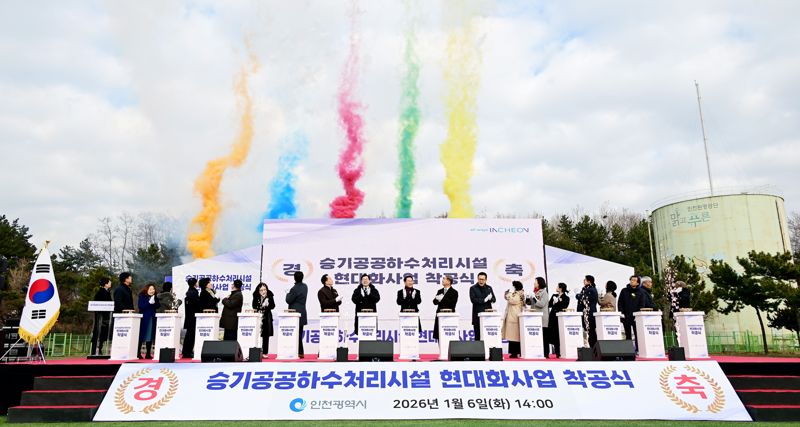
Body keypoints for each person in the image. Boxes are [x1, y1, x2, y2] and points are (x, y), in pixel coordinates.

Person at [617, 275, 650, 350]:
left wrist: (638, 314)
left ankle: (639, 349)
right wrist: (621, 312)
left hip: (636, 317)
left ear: (638, 283)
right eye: (631, 280)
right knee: (627, 334)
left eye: (634, 280)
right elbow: (620, 302)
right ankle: (628, 350)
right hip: (626, 316)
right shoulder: (624, 291)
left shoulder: (641, 292)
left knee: (637, 334)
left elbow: (642, 304)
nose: (632, 281)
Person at [286, 271, 308, 358]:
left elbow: (288, 300)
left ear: (294, 278)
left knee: (296, 334)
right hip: (302, 312)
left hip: (294, 313)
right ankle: (300, 352)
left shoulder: (294, 289)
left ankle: (299, 352)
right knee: (299, 333)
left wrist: (288, 293)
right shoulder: (305, 286)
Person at [469, 272, 495, 341]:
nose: (481, 281)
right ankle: (477, 348)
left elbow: (494, 299)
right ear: (477, 279)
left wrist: (491, 299)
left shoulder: (489, 288)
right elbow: (473, 300)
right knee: (478, 336)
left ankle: (489, 347)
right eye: (479, 279)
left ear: (486, 280)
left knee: (488, 335)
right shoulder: (473, 288)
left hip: (488, 316)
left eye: (483, 279)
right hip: (477, 315)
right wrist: (484, 300)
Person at [137, 283, 160, 359]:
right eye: (150, 289)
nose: (152, 291)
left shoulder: (155, 296)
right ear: (146, 289)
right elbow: (141, 306)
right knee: (141, 335)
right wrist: (149, 303)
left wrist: (154, 302)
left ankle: (148, 354)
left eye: (153, 289)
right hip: (144, 318)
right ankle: (138, 353)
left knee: (150, 335)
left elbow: (158, 306)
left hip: (152, 317)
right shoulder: (142, 296)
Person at [502, 281, 525, 358]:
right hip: (512, 316)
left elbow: (512, 300)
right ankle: (514, 352)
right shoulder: (515, 293)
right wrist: (507, 293)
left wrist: (510, 293)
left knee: (515, 336)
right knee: (512, 336)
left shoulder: (518, 294)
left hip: (514, 317)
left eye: (513, 286)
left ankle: (515, 352)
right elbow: (507, 298)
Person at [90, 277, 112, 355]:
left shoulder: (107, 292)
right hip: (101, 317)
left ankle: (100, 348)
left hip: (106, 316)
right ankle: (94, 350)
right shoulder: (100, 293)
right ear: (105, 284)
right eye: (109, 282)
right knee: (99, 331)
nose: (110, 283)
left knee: (103, 332)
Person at [432, 275, 458, 341]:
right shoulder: (440, 291)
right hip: (440, 314)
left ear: (449, 281)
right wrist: (437, 299)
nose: (442, 280)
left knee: (448, 334)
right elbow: (434, 302)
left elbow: (453, 304)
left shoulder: (454, 292)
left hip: (449, 315)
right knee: (439, 334)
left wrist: (442, 298)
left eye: (444, 279)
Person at [253, 282, 275, 357]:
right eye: (261, 290)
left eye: (265, 289)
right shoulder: (255, 295)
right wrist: (260, 306)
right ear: (258, 291)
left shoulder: (270, 295)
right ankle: (256, 350)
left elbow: (273, 306)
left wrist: (267, 304)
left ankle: (265, 352)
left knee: (266, 335)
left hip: (267, 316)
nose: (263, 291)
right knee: (257, 334)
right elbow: (254, 306)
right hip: (258, 316)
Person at [576, 275, 599, 348]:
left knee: (591, 331)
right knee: (589, 330)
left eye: (585, 280)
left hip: (589, 312)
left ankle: (593, 347)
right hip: (586, 312)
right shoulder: (587, 289)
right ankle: (592, 346)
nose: (583, 281)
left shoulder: (591, 290)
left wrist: (578, 295)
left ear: (589, 281)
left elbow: (583, 298)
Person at [548, 283, 570, 358]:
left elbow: (564, 306)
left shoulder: (566, 298)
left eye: (557, 286)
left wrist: (558, 302)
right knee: (553, 334)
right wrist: (553, 302)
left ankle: (561, 352)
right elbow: (549, 305)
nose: (556, 288)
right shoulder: (554, 295)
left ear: (560, 288)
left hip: (560, 318)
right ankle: (556, 352)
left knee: (559, 334)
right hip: (552, 317)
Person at [530, 277, 550, 358]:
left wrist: (534, 299)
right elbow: (532, 304)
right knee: (538, 337)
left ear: (539, 283)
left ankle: (546, 353)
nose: (534, 283)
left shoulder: (544, 292)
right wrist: (528, 299)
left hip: (542, 318)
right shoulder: (536, 292)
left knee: (544, 337)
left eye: (536, 282)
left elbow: (541, 304)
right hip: (535, 317)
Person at [182, 277, 200, 359]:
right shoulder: (193, 292)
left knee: (189, 335)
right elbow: (197, 304)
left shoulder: (189, 292)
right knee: (190, 335)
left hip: (189, 316)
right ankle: (187, 352)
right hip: (192, 317)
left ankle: (187, 351)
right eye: (196, 282)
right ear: (195, 283)